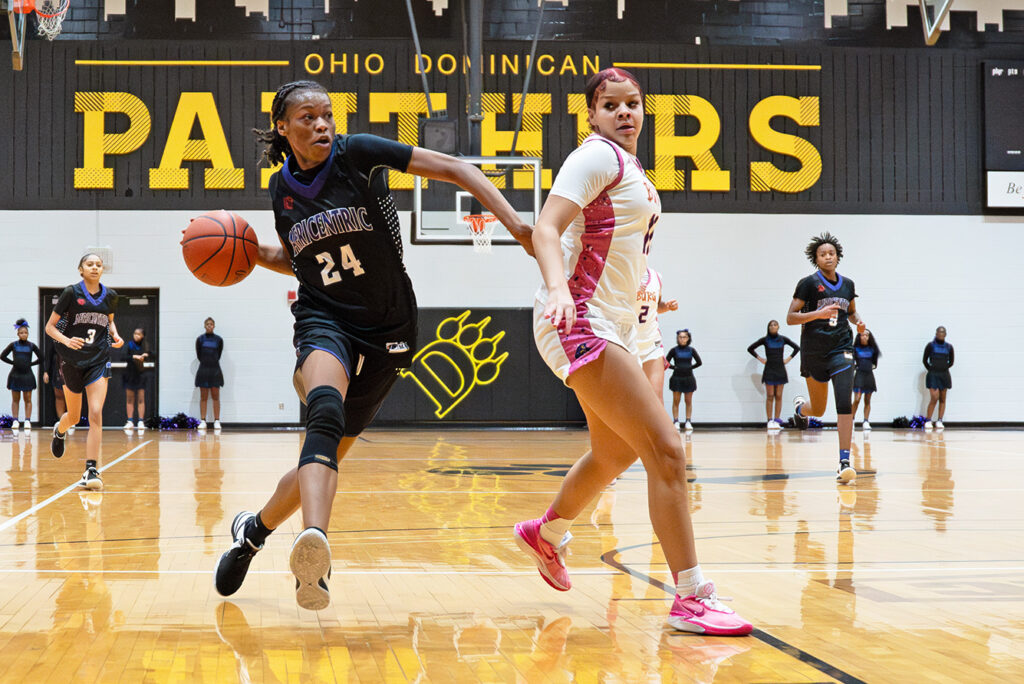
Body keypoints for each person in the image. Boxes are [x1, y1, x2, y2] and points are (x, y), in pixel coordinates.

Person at [212, 79, 533, 610]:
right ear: (283, 127)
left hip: (390, 328)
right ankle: (314, 552)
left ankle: (252, 533)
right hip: (324, 317)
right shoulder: (280, 190)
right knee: (325, 412)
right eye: (308, 117)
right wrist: (247, 254)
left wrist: (516, 224)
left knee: (325, 456)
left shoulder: (356, 154)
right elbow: (301, 257)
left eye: (327, 115)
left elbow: (459, 169)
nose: (321, 124)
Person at [514, 68, 751, 635]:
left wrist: (650, 289)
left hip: (613, 322)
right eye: (611, 105)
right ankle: (691, 596)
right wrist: (554, 289)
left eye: (633, 104)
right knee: (667, 450)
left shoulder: (631, 169)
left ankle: (543, 533)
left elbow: (615, 247)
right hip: (579, 319)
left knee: (614, 454)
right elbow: (548, 230)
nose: (625, 113)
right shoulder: (594, 156)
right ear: (592, 115)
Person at [787, 233, 866, 485]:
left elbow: (851, 313)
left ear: (838, 256)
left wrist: (859, 323)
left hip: (841, 349)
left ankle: (844, 462)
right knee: (818, 409)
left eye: (831, 253)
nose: (828, 256)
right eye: (823, 254)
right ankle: (801, 409)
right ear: (816, 259)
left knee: (844, 401)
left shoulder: (848, 285)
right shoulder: (808, 284)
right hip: (814, 351)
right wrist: (817, 314)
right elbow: (790, 317)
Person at [44, 253, 124, 490]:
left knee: (96, 412)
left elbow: (109, 323)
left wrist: (115, 335)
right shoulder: (71, 293)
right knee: (75, 417)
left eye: (99, 265)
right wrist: (67, 341)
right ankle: (60, 431)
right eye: (90, 264)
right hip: (71, 361)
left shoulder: (111, 296)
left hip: (98, 360)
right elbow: (50, 327)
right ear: (81, 269)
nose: (95, 267)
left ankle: (91, 469)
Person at [746, 320, 800, 431]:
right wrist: (760, 359)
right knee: (770, 395)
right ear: (768, 327)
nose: (773, 326)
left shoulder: (783, 339)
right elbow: (750, 348)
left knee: (779, 396)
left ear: (778, 327)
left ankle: (777, 419)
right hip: (769, 369)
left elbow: (796, 348)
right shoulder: (765, 340)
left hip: (780, 369)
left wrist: (787, 359)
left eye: (775, 324)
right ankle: (770, 420)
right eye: (771, 325)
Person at [636, 268, 678, 398]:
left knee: (655, 401)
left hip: (651, 343)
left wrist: (666, 306)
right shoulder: (621, 272)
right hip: (626, 345)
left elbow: (656, 306)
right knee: (629, 402)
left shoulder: (656, 276)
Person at [2, 319, 41, 430]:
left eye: (25, 332)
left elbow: (42, 358)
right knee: (15, 399)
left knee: (28, 398)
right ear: (18, 334)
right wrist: (14, 363)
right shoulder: (13, 345)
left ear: (28, 334)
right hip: (15, 375)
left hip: (27, 374)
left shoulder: (32, 346)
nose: (24, 334)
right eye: (21, 333)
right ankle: (15, 421)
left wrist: (31, 364)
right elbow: (2, 356)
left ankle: (27, 421)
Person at [666, 330, 701, 432]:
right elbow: (665, 362)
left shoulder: (691, 350)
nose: (682, 339)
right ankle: (676, 421)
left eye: (684, 337)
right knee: (676, 401)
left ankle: (688, 421)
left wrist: (689, 368)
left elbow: (699, 362)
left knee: (688, 401)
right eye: (680, 337)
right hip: (676, 378)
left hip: (689, 378)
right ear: (677, 338)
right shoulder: (674, 350)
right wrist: (675, 368)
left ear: (688, 338)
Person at [195, 317, 224, 430]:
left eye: (211, 324)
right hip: (203, 370)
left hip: (215, 370)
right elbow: (199, 355)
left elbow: (219, 355)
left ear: (214, 326)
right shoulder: (200, 339)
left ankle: (217, 421)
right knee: (203, 397)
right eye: (207, 324)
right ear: (204, 326)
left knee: (216, 396)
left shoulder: (219, 340)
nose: (209, 326)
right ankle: (203, 421)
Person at [923, 326, 953, 430]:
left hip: (944, 375)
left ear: (945, 334)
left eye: (942, 333)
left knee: (942, 399)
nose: (940, 334)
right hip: (933, 375)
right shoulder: (930, 346)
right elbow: (924, 360)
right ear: (936, 333)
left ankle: (940, 420)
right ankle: (928, 420)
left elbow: (951, 362)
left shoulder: (949, 347)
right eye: (939, 332)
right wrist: (932, 369)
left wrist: (943, 368)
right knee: (934, 397)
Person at [851, 329, 880, 431]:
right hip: (859, 375)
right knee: (857, 399)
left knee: (867, 400)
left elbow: (874, 363)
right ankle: (851, 420)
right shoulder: (855, 349)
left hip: (869, 375)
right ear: (859, 337)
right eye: (862, 335)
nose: (864, 337)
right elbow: (852, 363)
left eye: (866, 335)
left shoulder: (873, 349)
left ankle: (866, 421)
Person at [122, 327, 150, 433]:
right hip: (130, 374)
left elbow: (152, 355)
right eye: (135, 333)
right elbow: (123, 357)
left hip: (141, 374)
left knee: (141, 398)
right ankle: (130, 421)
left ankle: (141, 421)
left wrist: (146, 355)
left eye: (138, 334)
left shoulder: (145, 346)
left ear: (142, 336)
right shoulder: (129, 345)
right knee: (130, 398)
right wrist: (134, 357)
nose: (136, 335)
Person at [42, 337, 68, 430]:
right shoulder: (55, 338)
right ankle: (61, 420)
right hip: (58, 369)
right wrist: (46, 371)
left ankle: (71, 420)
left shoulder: (75, 334)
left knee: (71, 396)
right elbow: (48, 356)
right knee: (59, 395)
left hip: (71, 369)